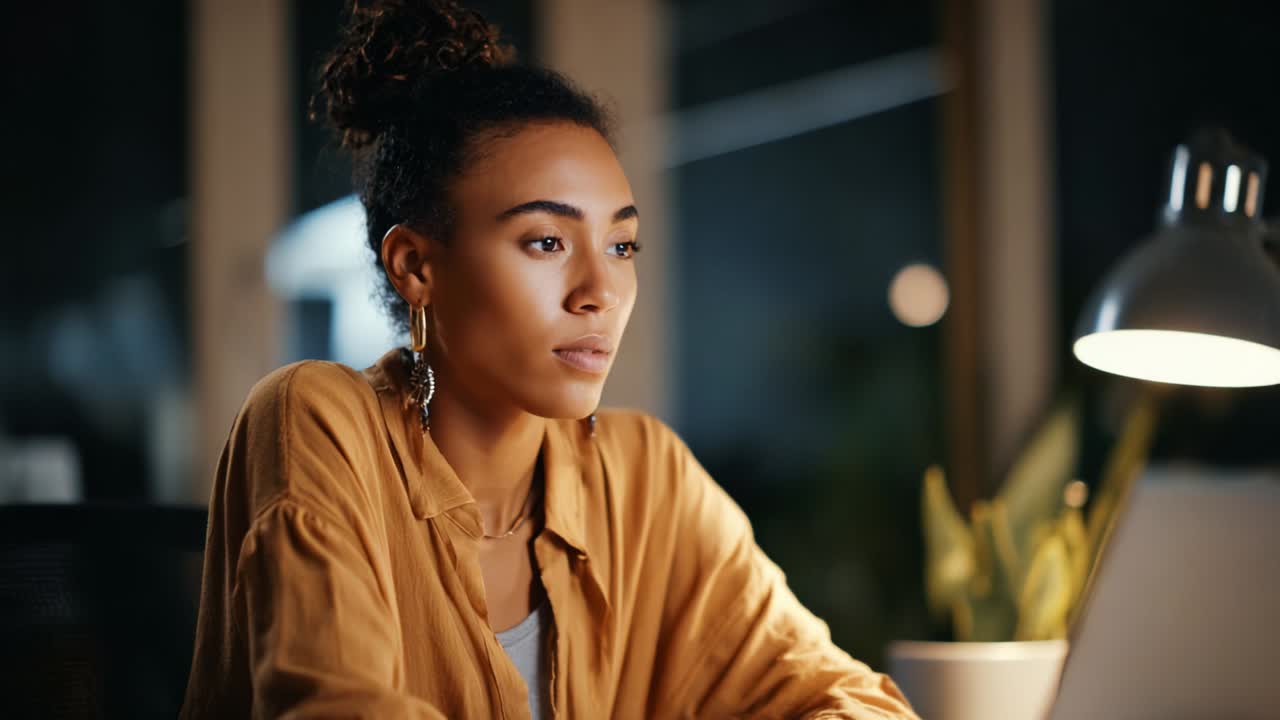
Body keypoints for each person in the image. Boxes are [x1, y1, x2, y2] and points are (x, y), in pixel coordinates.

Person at [180, 1, 917, 717]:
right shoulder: (318, 420)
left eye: (621, 245)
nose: (601, 291)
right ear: (416, 266)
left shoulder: (643, 476)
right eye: (546, 241)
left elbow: (848, 700)